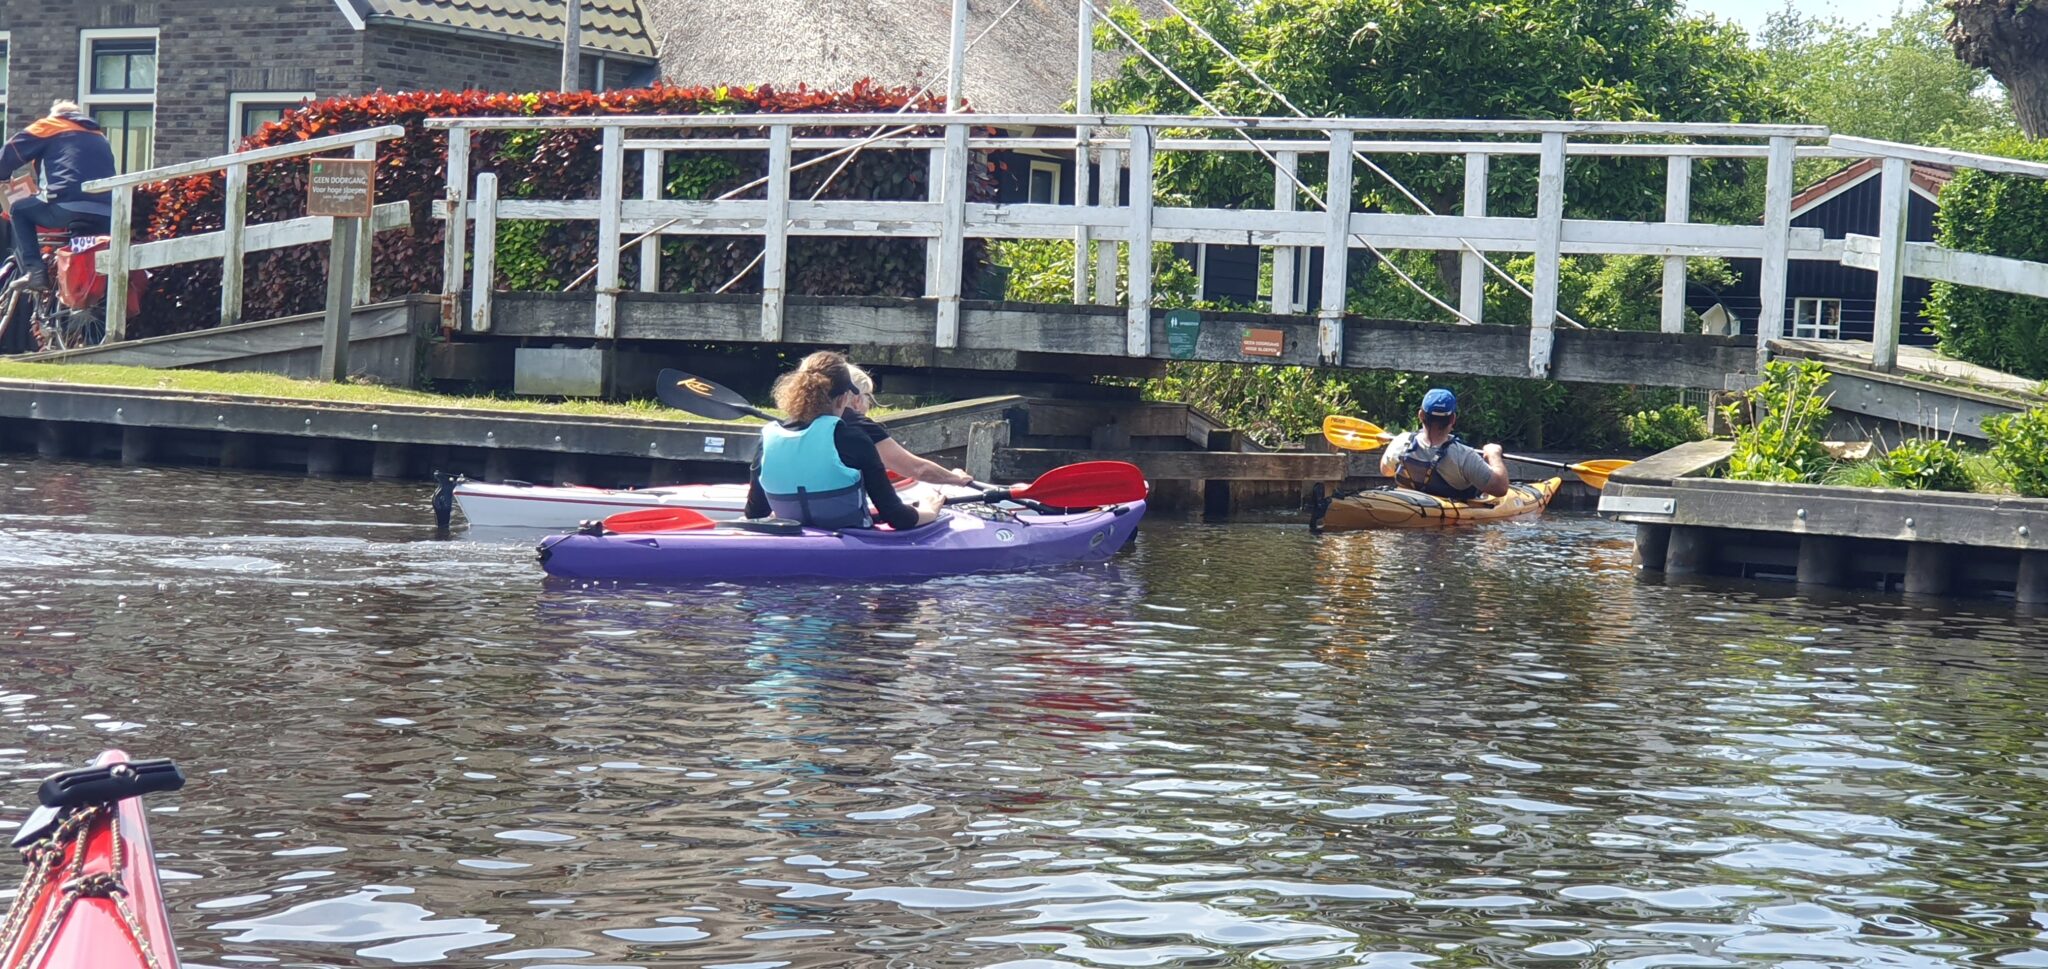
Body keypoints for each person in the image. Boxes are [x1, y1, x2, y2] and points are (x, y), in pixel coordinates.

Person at [744, 351, 943, 529]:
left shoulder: (768, 439)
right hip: (849, 546)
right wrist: (930, 510)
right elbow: (897, 517)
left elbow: (755, 514)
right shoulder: (854, 439)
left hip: (794, 539)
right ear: (842, 398)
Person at [1, 101, 115, 291]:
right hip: (106, 210)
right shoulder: (99, 136)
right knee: (81, 254)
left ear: (55, 115)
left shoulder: (51, 125)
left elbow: (9, 153)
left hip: (66, 204)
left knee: (19, 210)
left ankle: (35, 272)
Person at [843, 363, 976, 487]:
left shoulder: (824, 420)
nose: (869, 403)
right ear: (856, 400)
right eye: (868, 396)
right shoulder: (861, 427)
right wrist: (956, 478)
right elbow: (918, 469)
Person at [1378, 388, 1510, 501]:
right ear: (1453, 419)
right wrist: (1494, 455)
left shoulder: (1401, 442)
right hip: (1452, 526)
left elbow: (1386, 471)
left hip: (1408, 507)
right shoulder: (1464, 456)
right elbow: (1500, 489)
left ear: (1420, 415)